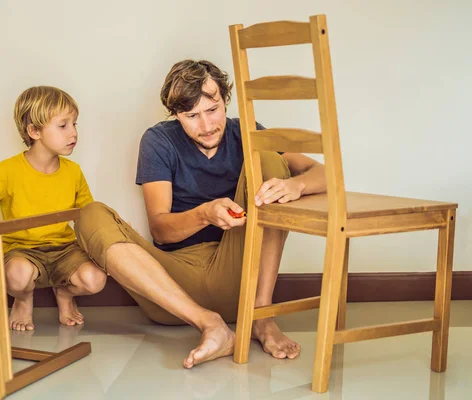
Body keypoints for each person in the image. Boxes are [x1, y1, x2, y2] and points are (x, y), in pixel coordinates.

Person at [74, 59, 327, 368]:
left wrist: (296, 186)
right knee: (89, 214)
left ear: (225, 100)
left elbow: (325, 174)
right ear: (176, 114)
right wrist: (205, 214)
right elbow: (160, 230)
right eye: (191, 116)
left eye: (212, 109)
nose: (206, 126)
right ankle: (209, 324)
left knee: (269, 162)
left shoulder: (245, 133)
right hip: (174, 288)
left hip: (239, 276)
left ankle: (261, 316)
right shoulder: (159, 140)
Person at [0, 86, 106, 331]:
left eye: (75, 124)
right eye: (63, 125)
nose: (73, 133)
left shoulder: (73, 172)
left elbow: (88, 215)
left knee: (96, 280)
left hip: (64, 250)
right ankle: (22, 298)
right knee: (17, 275)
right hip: (22, 251)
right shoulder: (9, 170)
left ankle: (64, 293)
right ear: (34, 131)